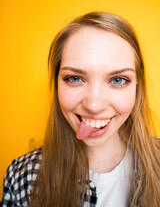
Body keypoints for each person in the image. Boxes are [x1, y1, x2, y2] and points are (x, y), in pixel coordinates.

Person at [1, 12, 160, 207]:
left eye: (118, 80)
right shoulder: (21, 177)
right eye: (75, 78)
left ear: (137, 87)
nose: (94, 105)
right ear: (57, 84)